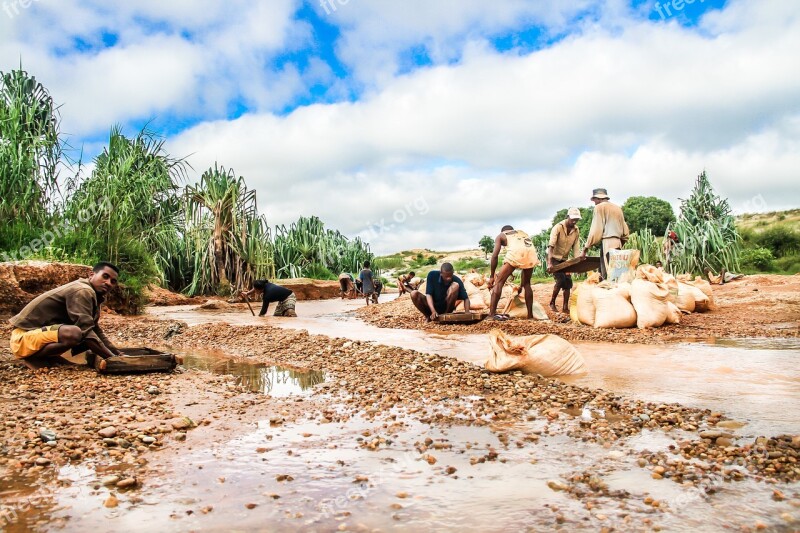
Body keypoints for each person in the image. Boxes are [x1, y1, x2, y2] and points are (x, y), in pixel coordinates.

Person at [8, 262, 123, 369]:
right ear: (91, 275)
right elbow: (86, 331)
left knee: (89, 336)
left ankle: (50, 357)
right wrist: (113, 359)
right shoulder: (83, 290)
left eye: (113, 281)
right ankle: (35, 358)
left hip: (34, 336)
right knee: (75, 333)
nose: (108, 283)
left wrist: (117, 353)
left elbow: (95, 329)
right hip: (22, 339)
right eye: (105, 276)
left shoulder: (93, 294)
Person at [487, 225, 540, 320]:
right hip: (531, 253)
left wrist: (492, 276)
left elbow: (495, 256)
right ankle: (530, 316)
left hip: (517, 253)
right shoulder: (521, 233)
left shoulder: (501, 235)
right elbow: (521, 251)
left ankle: (491, 315)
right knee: (527, 284)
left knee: (499, 282)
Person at [580, 188, 630, 281]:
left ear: (598, 198)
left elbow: (595, 230)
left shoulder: (599, 207)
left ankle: (608, 293)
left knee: (608, 274)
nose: (594, 202)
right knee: (618, 273)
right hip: (618, 243)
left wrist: (585, 249)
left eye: (594, 199)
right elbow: (625, 232)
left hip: (608, 243)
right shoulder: (618, 208)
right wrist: (619, 245)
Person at [547, 207, 582, 313]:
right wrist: (549, 263)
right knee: (560, 280)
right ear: (567, 217)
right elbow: (551, 246)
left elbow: (576, 248)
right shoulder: (557, 228)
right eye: (572, 219)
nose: (574, 221)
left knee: (568, 282)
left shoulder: (576, 230)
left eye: (576, 219)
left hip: (564, 260)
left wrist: (577, 264)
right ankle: (552, 303)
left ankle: (565, 307)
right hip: (553, 258)